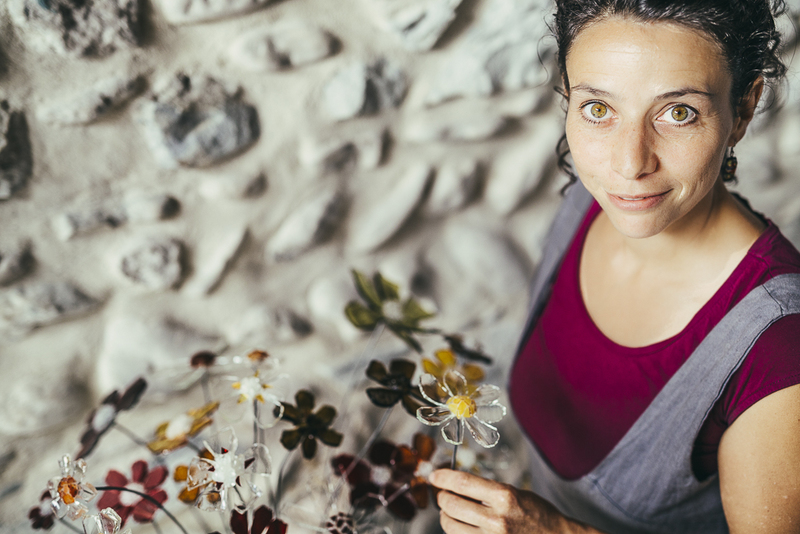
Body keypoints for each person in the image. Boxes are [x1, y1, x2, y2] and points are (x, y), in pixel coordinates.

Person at [428, 0, 800, 532]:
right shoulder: (588, 201)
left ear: (742, 110)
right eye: (599, 108)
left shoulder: (780, 351)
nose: (629, 164)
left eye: (679, 112)